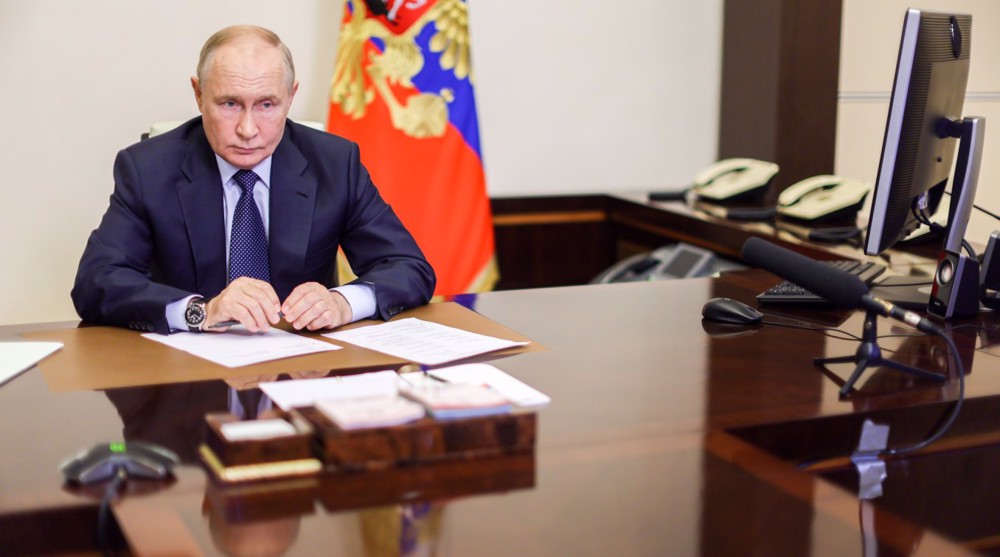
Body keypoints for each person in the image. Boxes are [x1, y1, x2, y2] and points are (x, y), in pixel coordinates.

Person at [72, 25, 435, 334]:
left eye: (266, 104)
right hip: (187, 382)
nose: (247, 130)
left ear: (291, 98)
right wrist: (200, 311)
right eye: (229, 103)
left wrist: (343, 303)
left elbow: (410, 268)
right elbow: (96, 282)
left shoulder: (335, 163)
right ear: (199, 95)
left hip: (304, 376)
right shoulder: (148, 169)